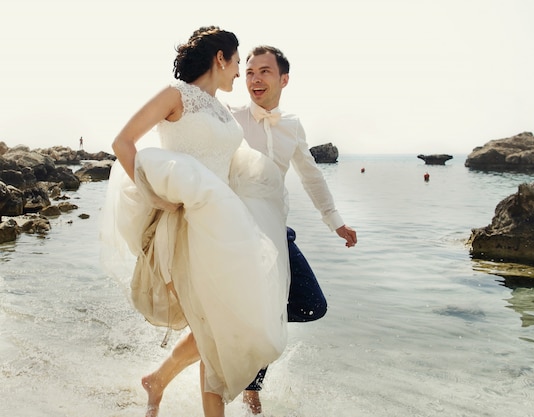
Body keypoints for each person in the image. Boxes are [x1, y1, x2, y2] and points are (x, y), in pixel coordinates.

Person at [139, 45, 357, 415]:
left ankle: (218, 376)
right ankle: (244, 384)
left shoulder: (292, 125)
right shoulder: (227, 116)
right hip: (231, 234)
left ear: (284, 79)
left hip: (275, 229)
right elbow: (192, 144)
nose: (254, 79)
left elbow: (311, 175)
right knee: (231, 317)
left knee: (309, 305)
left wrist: (334, 220)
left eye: (264, 72)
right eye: (250, 71)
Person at [101, 27, 290, 417]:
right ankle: (166, 385)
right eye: (238, 63)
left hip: (226, 227)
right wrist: (152, 194)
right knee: (213, 328)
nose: (240, 73)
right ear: (220, 58)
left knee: (223, 325)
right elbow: (123, 142)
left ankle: (157, 380)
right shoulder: (175, 95)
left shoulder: (222, 109)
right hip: (188, 227)